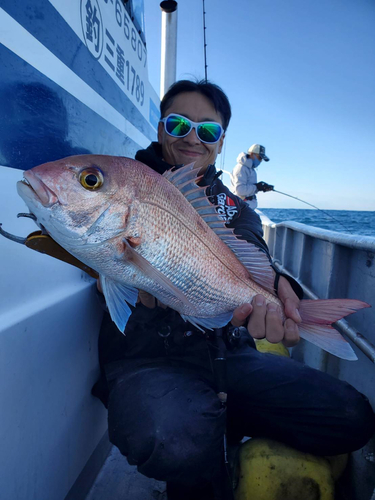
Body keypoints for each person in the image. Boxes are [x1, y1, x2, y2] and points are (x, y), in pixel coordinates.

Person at [92, 79, 375, 500]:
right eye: (178, 124)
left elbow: (254, 256)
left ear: (221, 143)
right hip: (146, 359)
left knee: (353, 417)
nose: (192, 137)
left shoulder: (232, 207)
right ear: (159, 129)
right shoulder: (127, 182)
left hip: (229, 351)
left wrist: (281, 289)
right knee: (174, 441)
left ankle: (219, 417)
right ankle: (204, 428)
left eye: (208, 130)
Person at [231, 144, 274, 209]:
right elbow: (240, 190)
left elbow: (250, 187)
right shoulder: (241, 168)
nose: (260, 161)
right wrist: (257, 187)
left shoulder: (250, 169)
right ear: (251, 154)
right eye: (259, 157)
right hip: (242, 208)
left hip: (248, 207)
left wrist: (261, 187)